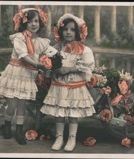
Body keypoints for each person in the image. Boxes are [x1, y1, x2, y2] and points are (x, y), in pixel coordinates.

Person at [0, 7, 57, 145]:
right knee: (12, 104)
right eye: (29, 22)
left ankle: (19, 131)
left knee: (22, 104)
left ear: (40, 23)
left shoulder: (40, 41)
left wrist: (57, 58)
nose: (33, 24)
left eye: (36, 21)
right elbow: (23, 56)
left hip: (27, 75)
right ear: (24, 23)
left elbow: (52, 52)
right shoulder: (19, 38)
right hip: (16, 73)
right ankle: (7, 126)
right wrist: (39, 65)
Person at [40, 13, 96, 151]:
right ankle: (59, 137)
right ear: (60, 31)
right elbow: (50, 63)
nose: (68, 32)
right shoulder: (56, 48)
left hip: (74, 86)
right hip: (59, 85)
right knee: (59, 112)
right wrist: (52, 68)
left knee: (72, 113)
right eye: (65, 30)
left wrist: (69, 69)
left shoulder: (83, 50)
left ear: (78, 32)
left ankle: (72, 138)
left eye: (72, 30)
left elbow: (87, 67)